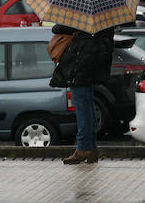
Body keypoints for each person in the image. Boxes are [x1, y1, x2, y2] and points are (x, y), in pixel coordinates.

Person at [49, 24, 115, 165]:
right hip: (93, 61)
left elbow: (60, 28)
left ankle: (84, 148)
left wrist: (58, 25)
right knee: (88, 104)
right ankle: (91, 148)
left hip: (81, 61)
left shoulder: (80, 15)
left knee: (82, 106)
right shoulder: (105, 17)